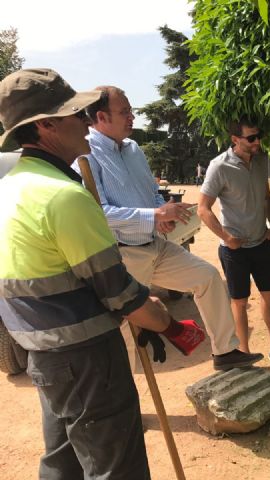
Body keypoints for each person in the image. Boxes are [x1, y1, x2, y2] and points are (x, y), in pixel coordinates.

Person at [0, 68, 206, 479]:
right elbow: (122, 296)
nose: (85, 121)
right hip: (87, 359)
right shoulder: (64, 197)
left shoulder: (11, 187)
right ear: (45, 126)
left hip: (45, 354)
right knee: (117, 467)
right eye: (75, 114)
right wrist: (170, 327)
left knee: (62, 462)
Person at [76, 86, 262, 371]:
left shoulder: (133, 149)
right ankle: (121, 407)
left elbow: (151, 192)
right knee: (125, 333)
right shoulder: (85, 155)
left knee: (207, 277)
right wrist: (153, 214)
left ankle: (225, 352)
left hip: (154, 246)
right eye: (124, 112)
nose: (132, 117)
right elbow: (97, 214)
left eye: (130, 110)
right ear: (101, 117)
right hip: (122, 256)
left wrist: (162, 215)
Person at [198, 117, 270, 365]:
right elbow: (203, 209)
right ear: (235, 140)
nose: (257, 141)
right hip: (234, 249)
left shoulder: (260, 161)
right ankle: (244, 355)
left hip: (261, 243)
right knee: (239, 301)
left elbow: (267, 196)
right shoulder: (220, 166)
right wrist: (227, 237)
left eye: (259, 136)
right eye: (251, 138)